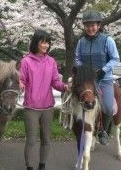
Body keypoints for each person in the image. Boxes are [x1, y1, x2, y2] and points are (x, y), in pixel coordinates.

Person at [19, 29, 69, 170]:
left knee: (46, 140)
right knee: (31, 140)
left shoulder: (51, 61)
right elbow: (21, 80)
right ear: (36, 43)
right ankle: (29, 167)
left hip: (48, 107)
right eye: (43, 42)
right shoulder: (26, 61)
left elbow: (55, 82)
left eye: (48, 42)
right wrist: (20, 84)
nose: (46, 45)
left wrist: (66, 87)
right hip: (31, 108)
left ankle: (42, 166)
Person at [75, 9, 120, 145]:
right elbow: (77, 58)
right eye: (87, 25)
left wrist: (103, 70)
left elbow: (115, 58)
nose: (90, 28)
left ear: (98, 25)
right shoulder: (81, 42)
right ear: (85, 26)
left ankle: (104, 131)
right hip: (87, 81)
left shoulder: (108, 40)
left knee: (107, 106)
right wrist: (82, 68)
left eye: (93, 25)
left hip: (104, 79)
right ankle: (73, 124)